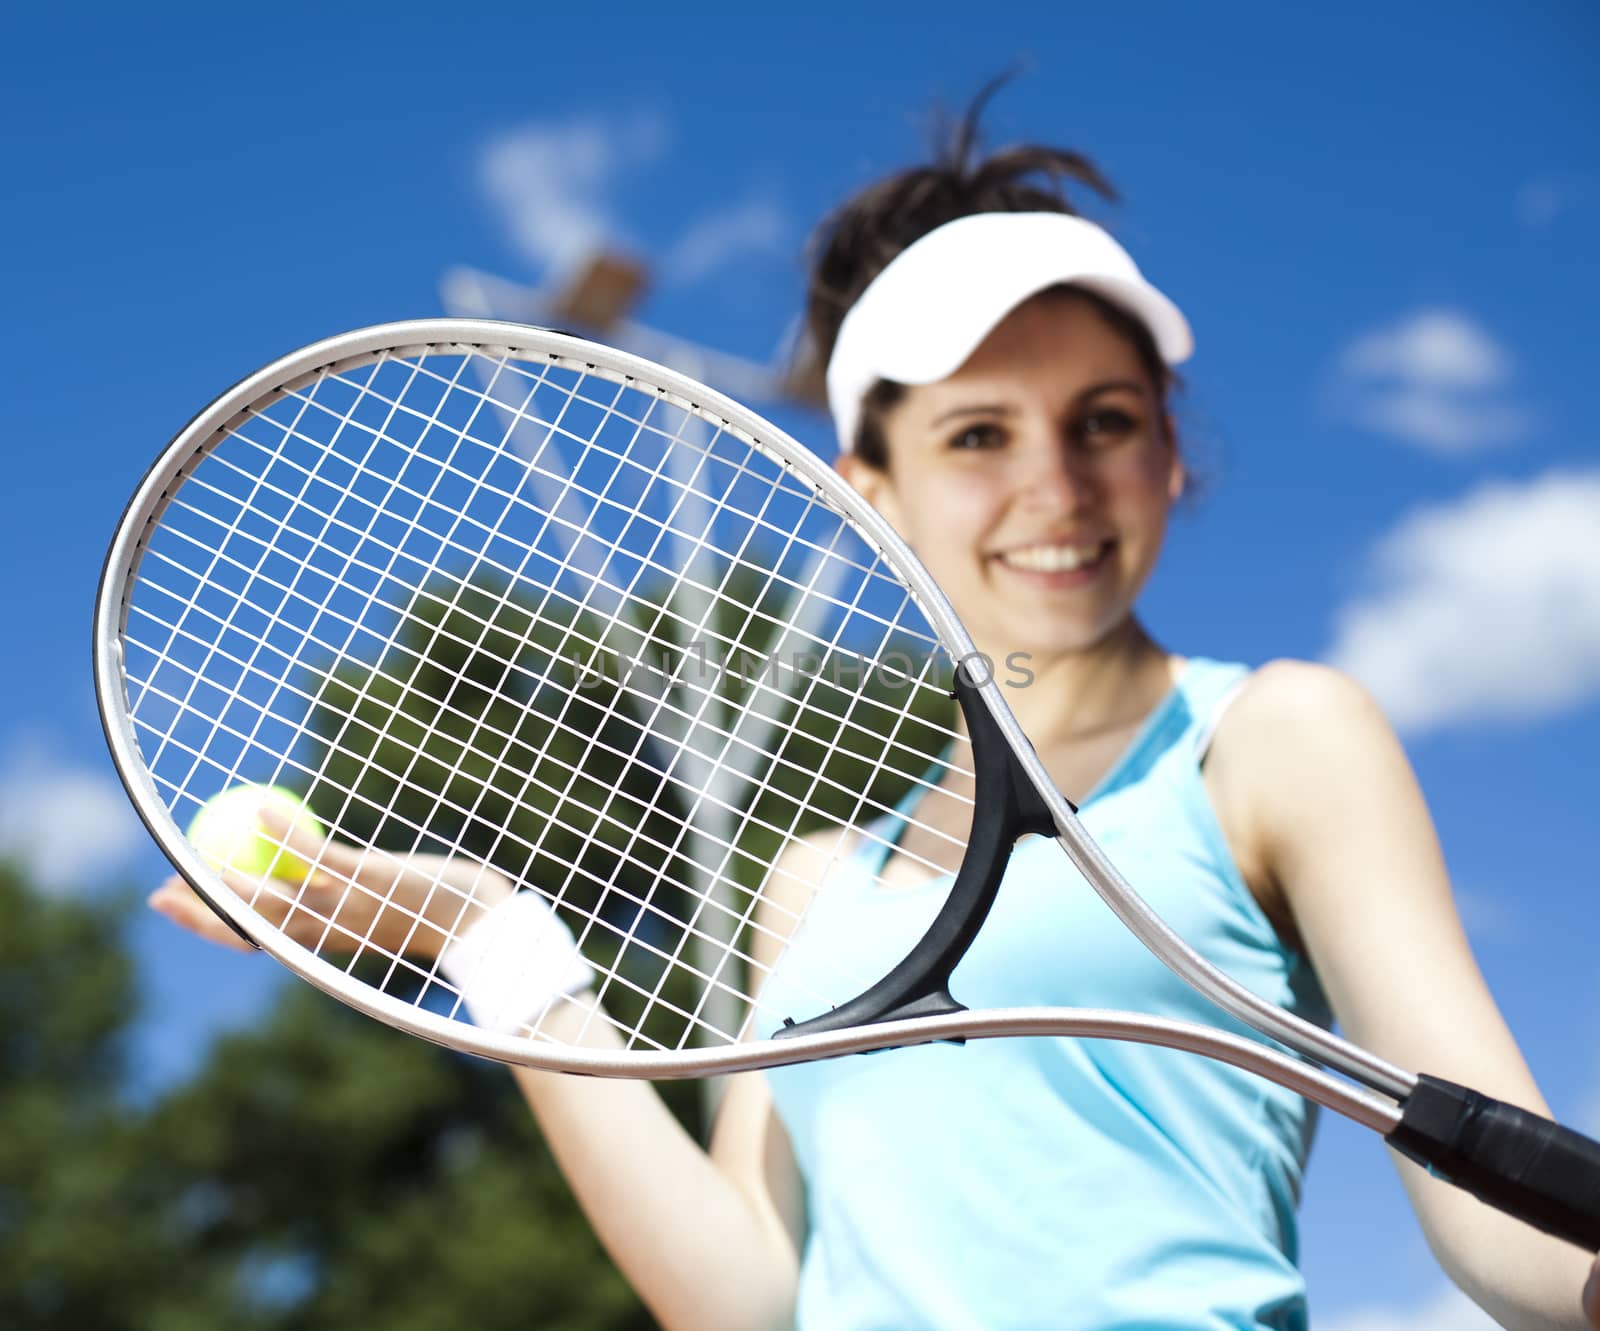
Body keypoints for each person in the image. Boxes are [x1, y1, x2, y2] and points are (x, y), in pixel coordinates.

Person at [151, 101, 1600, 1331]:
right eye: (978, 434)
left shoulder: (1278, 741)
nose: (1057, 485)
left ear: (1171, 454)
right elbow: (745, 1297)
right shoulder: (808, 887)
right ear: (872, 489)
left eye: (1105, 418)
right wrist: (492, 941)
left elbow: (1506, 1236)